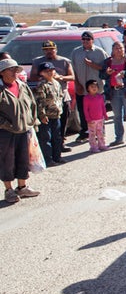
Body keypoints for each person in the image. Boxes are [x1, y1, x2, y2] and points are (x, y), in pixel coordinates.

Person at [0, 58, 40, 204]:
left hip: (24, 129)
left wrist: (33, 121)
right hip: (5, 132)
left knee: (23, 159)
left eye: (16, 70)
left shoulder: (22, 85)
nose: (15, 73)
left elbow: (32, 103)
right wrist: (5, 124)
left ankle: (22, 186)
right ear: (3, 72)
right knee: (7, 161)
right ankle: (8, 190)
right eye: (12, 70)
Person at [30, 39, 75, 149]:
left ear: (56, 49)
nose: (49, 52)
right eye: (46, 50)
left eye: (51, 49)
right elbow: (32, 77)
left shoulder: (64, 61)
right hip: (46, 98)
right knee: (47, 126)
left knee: (62, 121)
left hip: (62, 96)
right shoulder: (37, 61)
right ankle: (48, 149)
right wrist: (45, 77)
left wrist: (60, 77)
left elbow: (72, 77)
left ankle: (61, 143)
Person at [70, 31, 108, 142]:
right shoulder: (76, 52)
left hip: (97, 89)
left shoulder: (99, 52)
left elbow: (105, 68)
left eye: (88, 39)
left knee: (98, 111)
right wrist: (77, 84)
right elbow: (73, 70)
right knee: (83, 111)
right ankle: (85, 132)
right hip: (82, 87)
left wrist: (92, 64)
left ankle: (100, 131)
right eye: (83, 39)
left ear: (92, 40)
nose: (85, 41)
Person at [100, 41, 126, 146]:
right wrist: (106, 73)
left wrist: (125, 74)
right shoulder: (108, 62)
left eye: (121, 48)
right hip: (113, 91)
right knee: (117, 116)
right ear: (112, 50)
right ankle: (119, 138)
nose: (119, 50)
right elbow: (101, 75)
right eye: (117, 48)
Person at [33, 62, 64, 166]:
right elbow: (39, 101)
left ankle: (57, 157)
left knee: (57, 137)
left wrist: (61, 110)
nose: (50, 73)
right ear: (41, 73)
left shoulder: (56, 83)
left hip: (56, 114)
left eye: (51, 70)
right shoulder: (42, 85)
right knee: (46, 138)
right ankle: (48, 159)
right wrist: (42, 115)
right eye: (46, 71)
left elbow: (60, 97)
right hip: (47, 116)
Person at [83, 80, 108, 152]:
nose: (94, 88)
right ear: (88, 89)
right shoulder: (86, 98)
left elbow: (103, 106)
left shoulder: (100, 96)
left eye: (96, 87)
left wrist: (105, 114)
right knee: (92, 134)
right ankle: (93, 146)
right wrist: (88, 118)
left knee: (100, 132)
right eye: (92, 87)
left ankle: (102, 145)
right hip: (92, 120)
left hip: (100, 118)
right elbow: (85, 109)